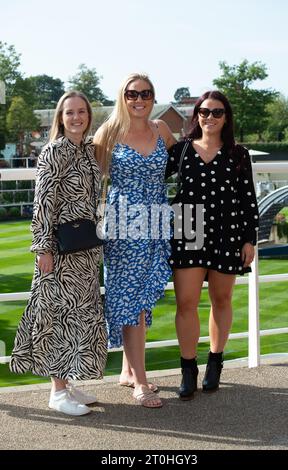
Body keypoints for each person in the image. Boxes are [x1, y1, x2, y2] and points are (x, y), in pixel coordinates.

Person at [10, 91, 107, 416]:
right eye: (70, 113)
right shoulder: (54, 152)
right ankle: (57, 391)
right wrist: (43, 248)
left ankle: (68, 381)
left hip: (85, 250)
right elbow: (43, 203)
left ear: (89, 116)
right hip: (59, 251)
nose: (76, 117)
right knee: (56, 317)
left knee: (80, 316)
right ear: (60, 118)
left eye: (82, 112)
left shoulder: (88, 152)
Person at [165, 90, 259, 400]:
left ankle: (215, 362)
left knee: (222, 298)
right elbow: (146, 174)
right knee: (186, 302)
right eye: (204, 112)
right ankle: (188, 369)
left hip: (227, 232)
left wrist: (249, 239)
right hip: (187, 228)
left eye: (217, 112)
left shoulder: (238, 153)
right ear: (197, 116)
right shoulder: (180, 151)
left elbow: (248, 199)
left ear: (226, 117)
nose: (210, 117)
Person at [93, 73, 176, 408]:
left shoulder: (162, 130)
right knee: (130, 297)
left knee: (145, 295)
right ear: (123, 96)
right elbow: (90, 177)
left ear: (153, 97)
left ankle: (128, 371)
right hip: (123, 225)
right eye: (132, 93)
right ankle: (140, 382)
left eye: (146, 93)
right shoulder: (109, 131)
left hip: (157, 222)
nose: (139, 99)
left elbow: (186, 162)